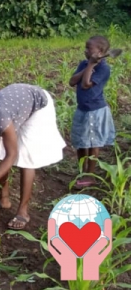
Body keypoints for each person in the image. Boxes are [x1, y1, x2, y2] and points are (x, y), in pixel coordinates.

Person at [0, 83, 66, 230]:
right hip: (16, 106)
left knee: (25, 160)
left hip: (38, 105)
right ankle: (4, 200)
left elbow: (12, 155)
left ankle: (23, 211)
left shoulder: (0, 117)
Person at [68, 35, 115, 189]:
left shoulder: (103, 68)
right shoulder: (84, 64)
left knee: (93, 143)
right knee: (81, 142)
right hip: (82, 109)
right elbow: (72, 81)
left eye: (89, 48)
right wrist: (88, 64)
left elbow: (87, 84)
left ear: (100, 52)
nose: (86, 50)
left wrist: (91, 65)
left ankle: (90, 175)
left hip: (95, 110)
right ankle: (82, 171)